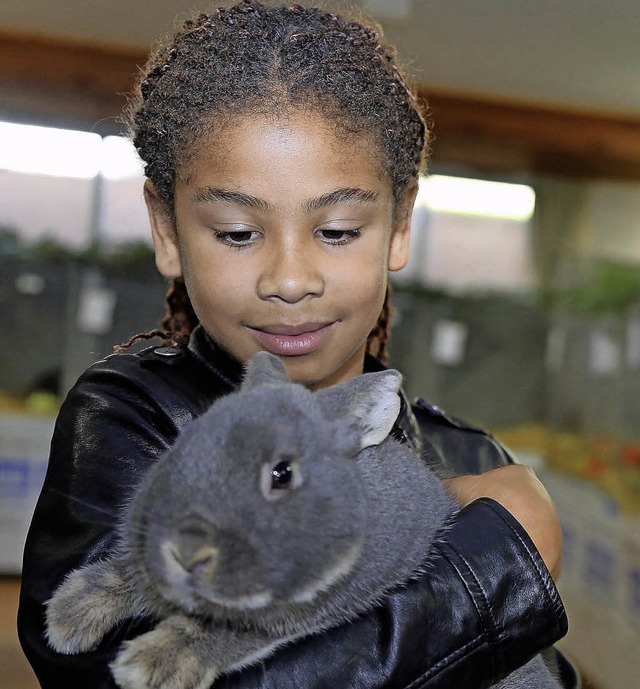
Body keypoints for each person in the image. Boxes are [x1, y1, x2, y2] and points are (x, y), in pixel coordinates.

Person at [18, 2, 576, 687]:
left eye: (337, 230)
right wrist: (493, 573)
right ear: (167, 229)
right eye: (235, 232)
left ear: (400, 224)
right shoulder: (131, 418)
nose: (288, 279)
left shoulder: (470, 455)